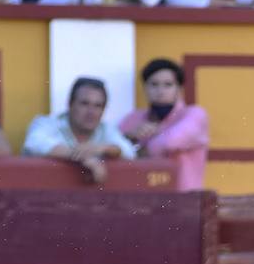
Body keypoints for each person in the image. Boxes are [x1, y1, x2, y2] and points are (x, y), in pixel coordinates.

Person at [118, 57, 209, 190]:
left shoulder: (194, 115)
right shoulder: (133, 119)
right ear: (145, 88)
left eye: (168, 85)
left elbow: (170, 141)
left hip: (185, 201)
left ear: (179, 89)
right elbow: (110, 146)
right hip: (142, 201)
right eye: (154, 84)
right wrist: (129, 137)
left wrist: (139, 149)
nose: (160, 91)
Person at [23, 76, 136, 183]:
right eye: (84, 104)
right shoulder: (46, 123)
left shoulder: (106, 129)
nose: (91, 112)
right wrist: (82, 156)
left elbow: (129, 152)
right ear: (70, 104)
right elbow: (34, 143)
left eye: (98, 106)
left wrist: (102, 148)